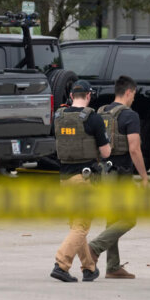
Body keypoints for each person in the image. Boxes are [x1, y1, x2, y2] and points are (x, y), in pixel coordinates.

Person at [88, 75, 150, 279]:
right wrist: (144, 177)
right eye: (134, 95)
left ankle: (113, 266)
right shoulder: (130, 116)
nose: (133, 99)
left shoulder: (100, 112)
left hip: (103, 173)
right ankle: (94, 248)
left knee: (113, 219)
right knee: (129, 218)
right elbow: (134, 149)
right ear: (129, 92)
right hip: (121, 175)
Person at [50, 79, 111, 283]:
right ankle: (61, 264)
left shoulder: (58, 117)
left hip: (64, 179)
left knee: (77, 225)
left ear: (71, 96)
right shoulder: (92, 119)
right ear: (88, 96)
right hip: (84, 179)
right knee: (82, 225)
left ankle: (89, 268)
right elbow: (106, 151)